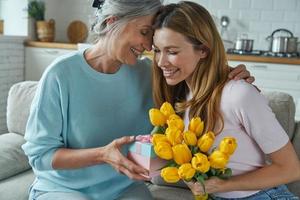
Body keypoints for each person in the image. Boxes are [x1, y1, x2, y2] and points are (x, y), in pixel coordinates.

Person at [22, 0, 254, 200]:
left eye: (152, 36)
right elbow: (40, 156)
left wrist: (228, 76)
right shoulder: (60, 75)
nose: (149, 46)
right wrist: (103, 154)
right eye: (144, 32)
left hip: (124, 189)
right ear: (113, 22)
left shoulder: (151, 74)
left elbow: (197, 80)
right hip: (63, 189)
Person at [151, 1, 300, 199]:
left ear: (203, 50)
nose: (161, 62)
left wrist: (222, 185)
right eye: (157, 50)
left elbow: (290, 169)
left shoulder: (239, 95)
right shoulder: (181, 96)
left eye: (172, 52)